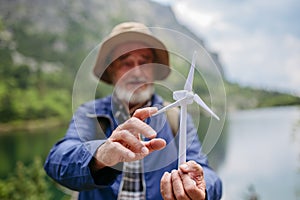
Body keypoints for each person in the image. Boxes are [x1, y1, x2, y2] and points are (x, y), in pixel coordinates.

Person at [44, 22, 222, 200]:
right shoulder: (90, 114)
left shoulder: (176, 117)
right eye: (126, 62)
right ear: (111, 70)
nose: (136, 72)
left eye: (144, 62)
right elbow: (56, 162)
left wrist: (201, 188)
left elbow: (207, 174)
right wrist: (100, 154)